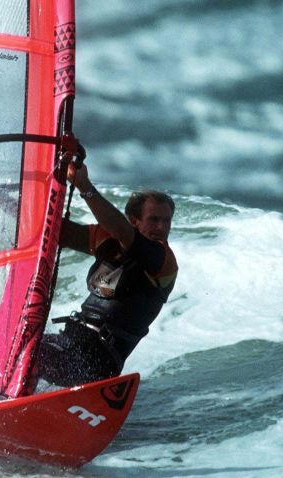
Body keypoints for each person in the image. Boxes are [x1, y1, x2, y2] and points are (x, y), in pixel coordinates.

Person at [38, 161, 178, 387]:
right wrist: (0, 200)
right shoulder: (108, 242)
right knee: (17, 344)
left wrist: (85, 187)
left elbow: (122, 230)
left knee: (32, 355)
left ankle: (8, 407)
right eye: (154, 220)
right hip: (70, 342)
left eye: (166, 221)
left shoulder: (163, 261)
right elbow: (55, 232)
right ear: (135, 221)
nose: (161, 227)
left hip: (97, 362)